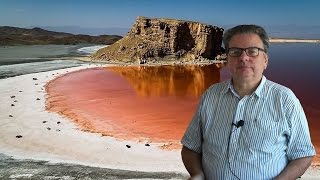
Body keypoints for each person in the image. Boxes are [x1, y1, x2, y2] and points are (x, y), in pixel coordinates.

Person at [181, 24, 316, 180]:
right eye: (235, 52)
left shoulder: (285, 99)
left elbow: (303, 155)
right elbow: (191, 147)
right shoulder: (211, 95)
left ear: (265, 60)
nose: (243, 58)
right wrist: (197, 174)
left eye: (252, 51)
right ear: (227, 59)